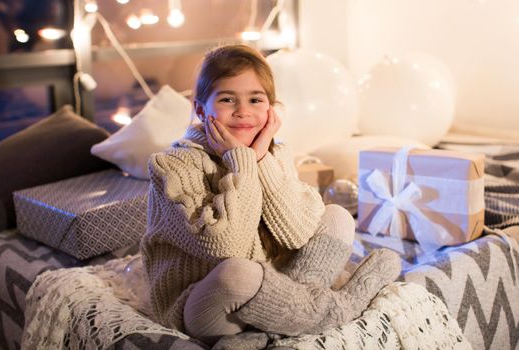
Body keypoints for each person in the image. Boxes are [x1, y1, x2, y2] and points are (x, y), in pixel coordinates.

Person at [140, 44, 401, 348]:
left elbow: (298, 235)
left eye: (255, 99)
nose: (243, 111)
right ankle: (339, 309)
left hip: (277, 288)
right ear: (201, 110)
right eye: (227, 99)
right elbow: (228, 247)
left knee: (338, 217)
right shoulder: (172, 166)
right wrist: (242, 161)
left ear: (271, 109)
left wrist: (262, 159)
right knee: (238, 273)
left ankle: (264, 333)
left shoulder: (275, 153)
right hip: (206, 304)